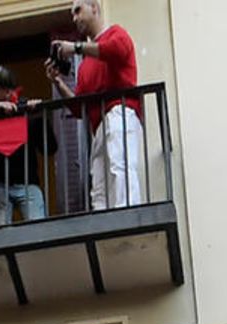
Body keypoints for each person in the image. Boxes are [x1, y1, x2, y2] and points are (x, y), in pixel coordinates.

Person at [52, 3, 143, 211]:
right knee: (99, 186)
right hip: (99, 127)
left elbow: (116, 50)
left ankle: (128, 215)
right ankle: (105, 223)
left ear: (94, 7)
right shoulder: (85, 65)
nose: (74, 18)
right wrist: (58, 82)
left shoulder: (116, 33)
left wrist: (75, 47)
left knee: (121, 168)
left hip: (119, 113)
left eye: (78, 10)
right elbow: (78, 108)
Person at [0, 66, 46, 227]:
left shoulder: (26, 108)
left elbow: (50, 148)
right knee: (1, 238)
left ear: (8, 92)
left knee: (39, 233)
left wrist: (39, 116)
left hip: (28, 184)